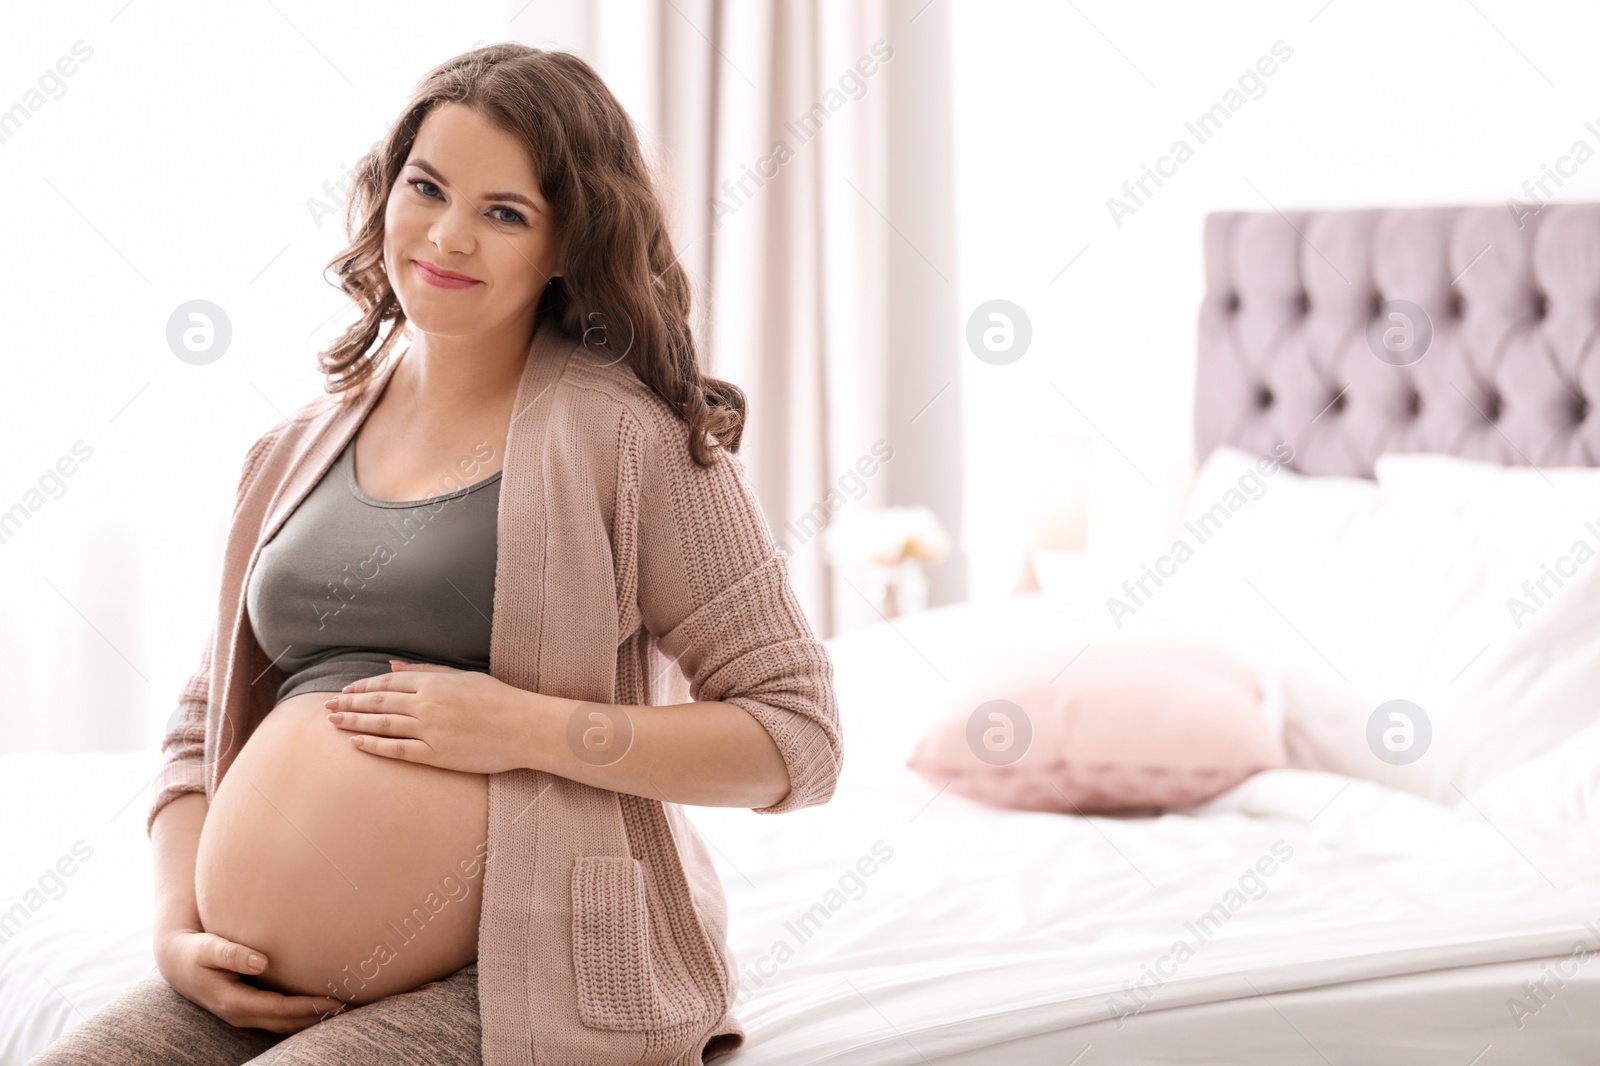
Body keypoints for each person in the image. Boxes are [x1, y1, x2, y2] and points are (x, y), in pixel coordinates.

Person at [28, 42, 841, 1066]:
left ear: (564, 244)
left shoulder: (631, 443)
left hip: (528, 967)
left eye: (505, 212)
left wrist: (527, 727)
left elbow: (797, 740)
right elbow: (199, 724)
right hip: (249, 976)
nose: (449, 236)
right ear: (384, 193)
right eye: (428, 187)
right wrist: (174, 927)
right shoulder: (290, 449)